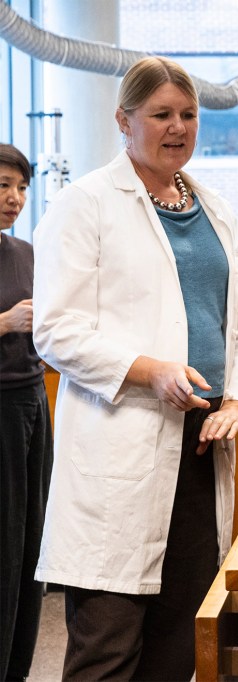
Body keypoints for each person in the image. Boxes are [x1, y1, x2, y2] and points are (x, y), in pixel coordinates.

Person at [32, 56, 238, 680]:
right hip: (123, 451)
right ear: (124, 120)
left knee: (176, 646)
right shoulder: (86, 204)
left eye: (188, 114)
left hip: (198, 449)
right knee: (107, 649)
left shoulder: (214, 208)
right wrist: (149, 370)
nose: (177, 127)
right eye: (160, 114)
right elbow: (55, 329)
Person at [0, 144, 52, 682]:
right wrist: (5, 323)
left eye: (19, 188)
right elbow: (15, 320)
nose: (13, 199)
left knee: (34, 544)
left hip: (34, 399)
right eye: (1, 187)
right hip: (1, 408)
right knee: (5, 546)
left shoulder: (25, 251)